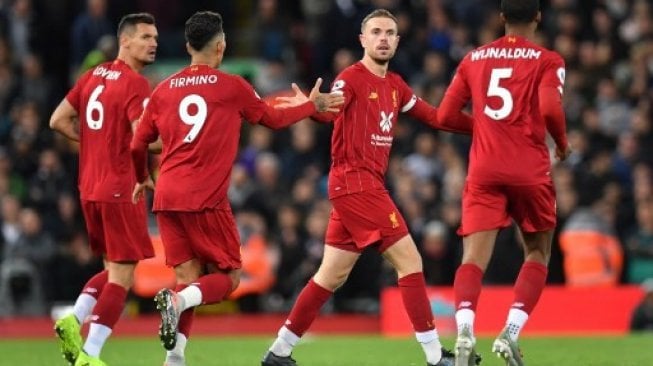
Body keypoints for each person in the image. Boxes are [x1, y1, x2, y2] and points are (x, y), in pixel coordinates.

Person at [128, 11, 344, 366]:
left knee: (189, 279)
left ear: (187, 47)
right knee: (228, 279)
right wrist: (310, 105)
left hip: (166, 196)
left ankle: (174, 359)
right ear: (221, 46)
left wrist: (141, 177)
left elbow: (138, 145)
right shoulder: (232, 87)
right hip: (205, 199)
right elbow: (272, 119)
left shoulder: (163, 90)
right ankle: (177, 303)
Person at [262, 9, 475, 366]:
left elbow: (437, 118)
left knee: (330, 275)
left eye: (390, 33)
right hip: (356, 183)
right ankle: (437, 357)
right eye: (376, 32)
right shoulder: (352, 78)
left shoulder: (396, 86)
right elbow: (332, 109)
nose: (383, 38)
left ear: (397, 40)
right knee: (410, 261)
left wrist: (481, 126)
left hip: (358, 187)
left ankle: (278, 352)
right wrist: (313, 107)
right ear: (363, 39)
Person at [436, 1, 571, 365]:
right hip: (529, 170)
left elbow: (445, 116)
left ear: (501, 18)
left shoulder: (473, 59)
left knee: (473, 258)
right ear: (539, 17)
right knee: (538, 252)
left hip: (484, 171)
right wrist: (561, 142)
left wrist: (483, 126)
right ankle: (510, 334)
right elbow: (550, 109)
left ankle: (464, 328)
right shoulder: (547, 60)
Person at [49, 13, 159, 366]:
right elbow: (142, 140)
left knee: (113, 268)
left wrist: (94, 142)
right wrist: (181, 141)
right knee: (123, 276)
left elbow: (57, 119)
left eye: (155, 36)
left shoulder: (91, 75)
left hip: (89, 188)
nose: (153, 42)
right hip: (120, 187)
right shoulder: (135, 84)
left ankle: (73, 317)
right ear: (124, 41)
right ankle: (90, 354)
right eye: (144, 36)